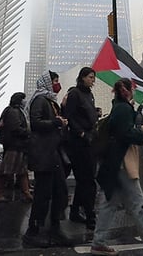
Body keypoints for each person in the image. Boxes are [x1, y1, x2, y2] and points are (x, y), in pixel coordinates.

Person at [89, 78, 143, 256]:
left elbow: (125, 129)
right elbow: (125, 134)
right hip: (123, 161)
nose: (134, 91)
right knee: (138, 205)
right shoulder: (123, 108)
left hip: (115, 161)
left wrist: (142, 128)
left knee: (109, 204)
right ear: (127, 90)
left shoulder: (119, 107)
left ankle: (98, 243)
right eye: (133, 88)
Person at [23, 71, 74, 247]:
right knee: (42, 194)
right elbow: (35, 123)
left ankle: (55, 228)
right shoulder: (40, 100)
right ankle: (33, 231)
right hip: (44, 154)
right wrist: (56, 123)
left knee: (60, 191)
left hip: (53, 153)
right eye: (55, 81)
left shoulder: (51, 102)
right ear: (47, 82)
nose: (57, 84)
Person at [64, 67, 99, 229]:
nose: (93, 80)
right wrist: (81, 134)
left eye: (93, 77)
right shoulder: (74, 94)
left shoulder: (89, 95)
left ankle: (75, 211)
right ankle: (90, 214)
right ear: (83, 77)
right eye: (91, 77)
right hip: (79, 143)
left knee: (86, 178)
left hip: (90, 141)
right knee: (87, 180)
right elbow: (69, 117)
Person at [0, 92, 32, 202]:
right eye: (24, 99)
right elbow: (15, 128)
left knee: (22, 170)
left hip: (17, 145)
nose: (25, 101)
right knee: (7, 169)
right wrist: (28, 132)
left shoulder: (14, 111)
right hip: (15, 145)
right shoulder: (14, 112)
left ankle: (26, 193)